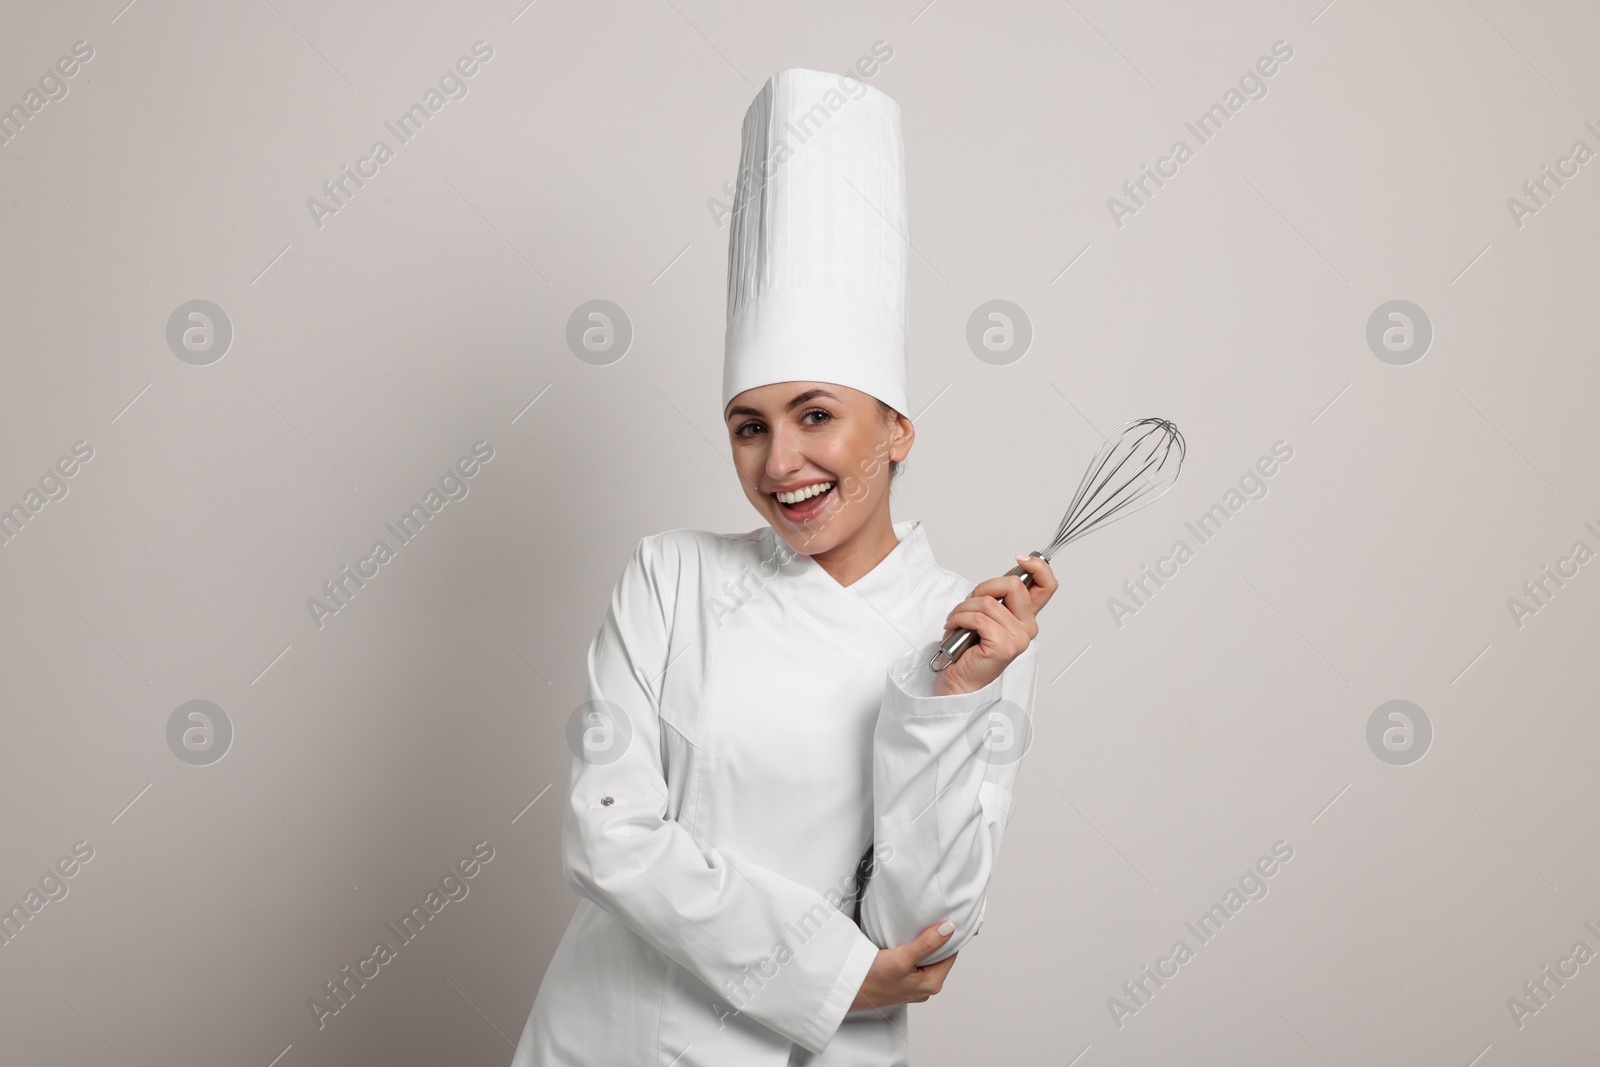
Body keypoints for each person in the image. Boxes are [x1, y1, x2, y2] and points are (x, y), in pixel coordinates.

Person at [512, 67, 1055, 1066]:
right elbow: (607, 834)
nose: (778, 464)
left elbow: (924, 930)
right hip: (608, 1040)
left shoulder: (972, 631)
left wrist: (945, 700)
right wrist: (831, 975)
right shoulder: (669, 577)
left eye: (815, 415)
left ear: (894, 428)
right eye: (747, 426)